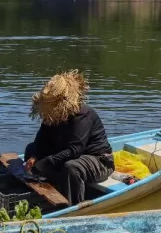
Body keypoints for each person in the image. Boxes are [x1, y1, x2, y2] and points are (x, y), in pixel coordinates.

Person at [24, 70, 114, 205]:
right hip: (69, 155)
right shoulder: (52, 116)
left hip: (99, 161)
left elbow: (75, 150)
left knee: (71, 167)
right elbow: (42, 138)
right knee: (30, 148)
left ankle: (73, 206)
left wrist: (47, 162)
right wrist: (35, 156)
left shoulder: (83, 116)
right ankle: (53, 186)